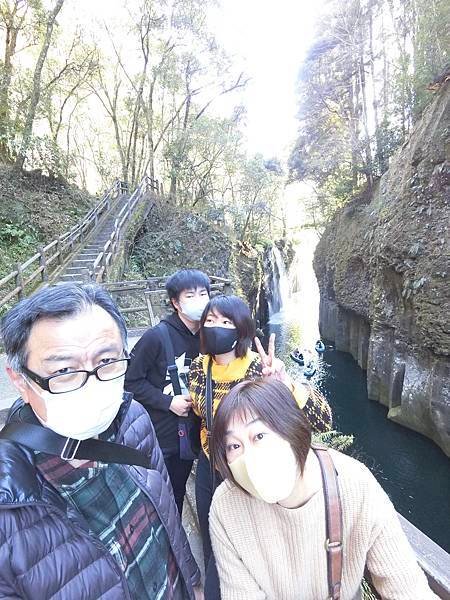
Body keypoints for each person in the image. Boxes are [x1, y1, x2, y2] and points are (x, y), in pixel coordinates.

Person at [0, 283, 203, 599]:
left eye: (107, 361)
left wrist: (193, 583)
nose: (90, 383)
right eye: (64, 369)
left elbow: (168, 518)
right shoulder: (10, 502)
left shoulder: (134, 419)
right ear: (21, 380)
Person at [209, 378, 439, 600]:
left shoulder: (356, 487)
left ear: (291, 429)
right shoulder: (227, 507)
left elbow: (407, 588)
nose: (248, 457)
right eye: (234, 445)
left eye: (259, 435)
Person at [188, 294, 333, 598]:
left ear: (241, 329)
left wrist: (286, 386)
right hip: (210, 466)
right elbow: (201, 416)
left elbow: (323, 420)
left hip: (251, 471)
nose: (216, 327)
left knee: (252, 547)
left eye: (226, 322)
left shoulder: (260, 371)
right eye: (210, 321)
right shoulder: (199, 368)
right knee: (213, 541)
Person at [125, 269, 210, 514]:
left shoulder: (208, 336)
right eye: (190, 295)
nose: (199, 300)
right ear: (176, 303)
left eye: (203, 293)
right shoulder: (156, 337)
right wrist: (167, 401)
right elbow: (130, 382)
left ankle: (177, 540)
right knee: (159, 491)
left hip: (193, 431)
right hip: (162, 432)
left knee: (179, 490)